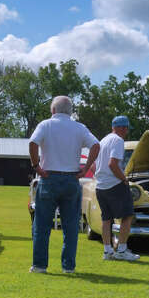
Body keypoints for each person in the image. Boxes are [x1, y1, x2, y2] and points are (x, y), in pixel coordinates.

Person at [28, 95, 100, 273]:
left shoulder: (45, 125)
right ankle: (68, 266)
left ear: (53, 110)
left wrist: (36, 165)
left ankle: (39, 265)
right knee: (70, 226)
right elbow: (96, 145)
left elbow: (33, 142)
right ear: (70, 111)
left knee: (42, 225)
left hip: (49, 177)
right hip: (71, 179)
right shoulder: (79, 128)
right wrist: (85, 169)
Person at [92, 115, 140, 261]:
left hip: (100, 185)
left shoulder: (103, 140)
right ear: (122, 127)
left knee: (106, 219)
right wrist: (123, 179)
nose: (126, 132)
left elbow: (94, 165)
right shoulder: (118, 141)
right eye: (126, 128)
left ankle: (107, 251)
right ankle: (122, 250)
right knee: (127, 216)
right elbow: (113, 164)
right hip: (114, 184)